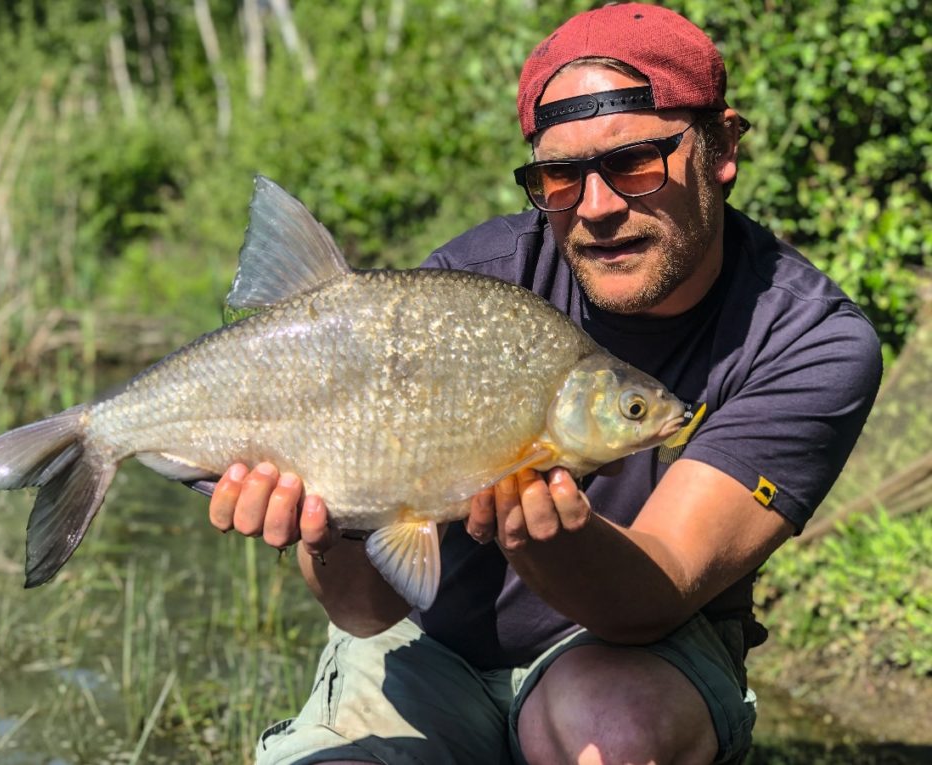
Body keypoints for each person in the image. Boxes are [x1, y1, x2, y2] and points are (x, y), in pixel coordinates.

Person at [202, 4, 882, 764]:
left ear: (722, 145)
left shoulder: (808, 339)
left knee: (613, 734)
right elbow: (369, 609)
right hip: (428, 648)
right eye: (561, 175)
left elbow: (655, 592)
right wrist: (327, 535)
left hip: (629, 656)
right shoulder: (467, 291)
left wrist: (545, 534)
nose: (596, 207)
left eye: (636, 162)